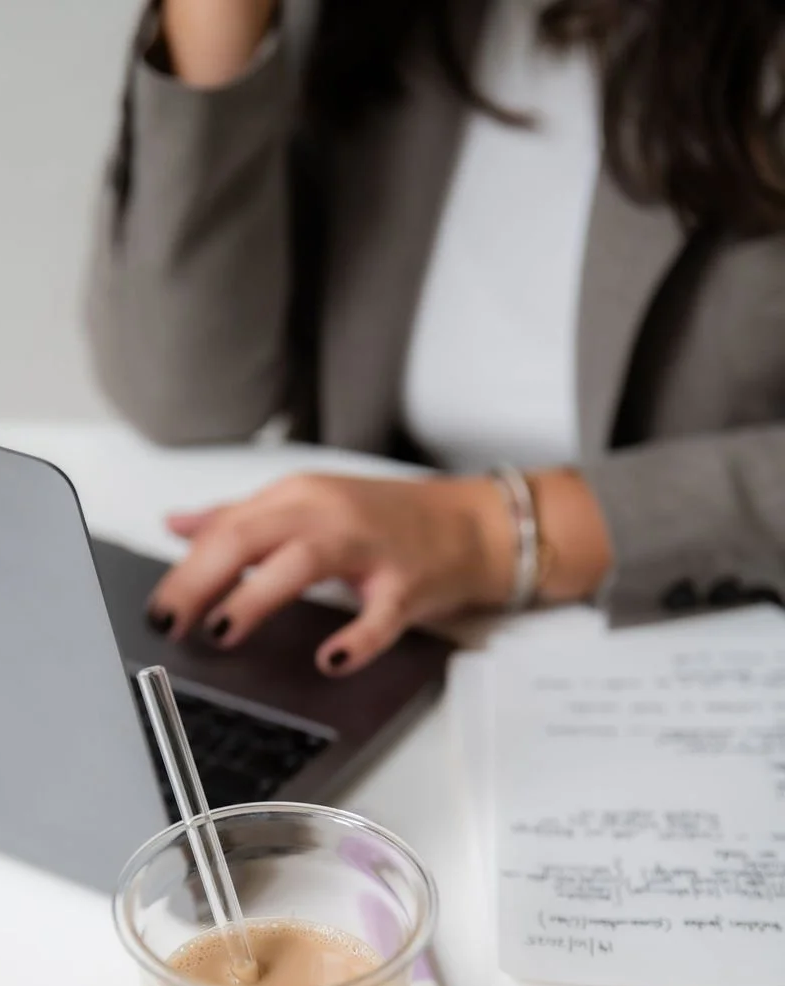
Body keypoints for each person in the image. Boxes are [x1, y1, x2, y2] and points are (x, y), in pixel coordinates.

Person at [88, 0, 785, 674]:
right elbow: (183, 393)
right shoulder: (369, 17)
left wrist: (487, 532)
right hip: (388, 637)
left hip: (700, 655)